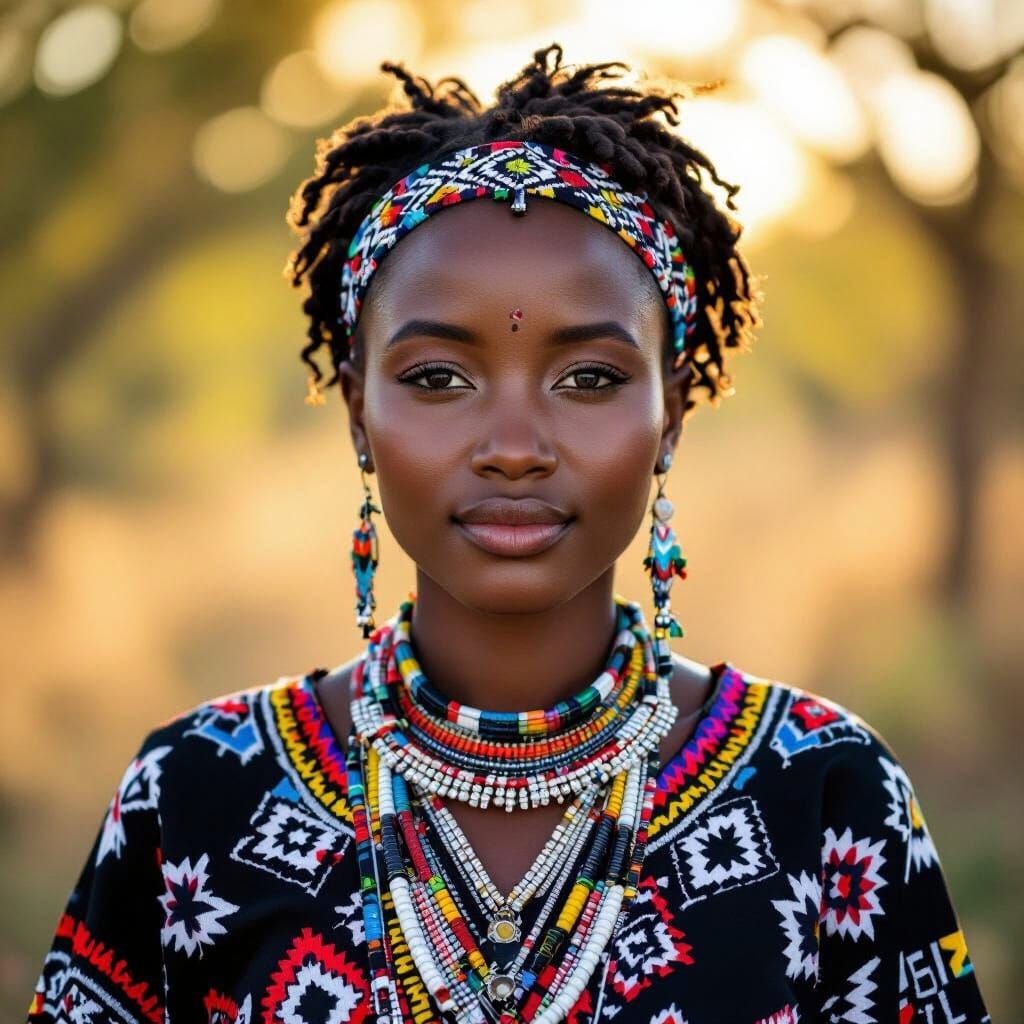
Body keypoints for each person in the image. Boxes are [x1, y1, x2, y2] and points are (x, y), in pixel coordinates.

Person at [28, 43, 990, 1024]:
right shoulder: (195, 799)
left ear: (671, 417)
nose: (516, 447)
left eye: (590, 379)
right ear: (359, 413)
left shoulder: (824, 795)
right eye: (439, 376)